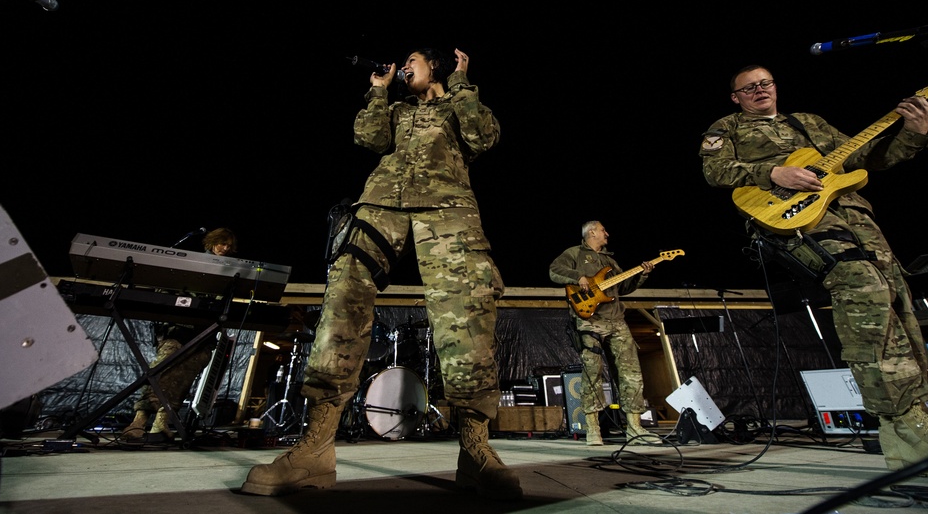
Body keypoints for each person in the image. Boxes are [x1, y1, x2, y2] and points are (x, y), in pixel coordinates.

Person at [241, 48, 521, 500]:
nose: (405, 67)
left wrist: (463, 81)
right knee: (342, 302)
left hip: (447, 208)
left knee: (466, 315)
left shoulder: (457, 102)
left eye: (413, 61)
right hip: (379, 204)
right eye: (403, 63)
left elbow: (482, 135)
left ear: (437, 66)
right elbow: (368, 139)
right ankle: (315, 449)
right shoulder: (393, 109)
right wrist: (377, 91)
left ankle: (475, 450)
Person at [698, 64, 928, 479]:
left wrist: (913, 134)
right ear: (736, 97)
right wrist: (773, 172)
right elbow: (714, 171)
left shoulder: (810, 122)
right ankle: (905, 423)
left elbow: (867, 157)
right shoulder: (728, 126)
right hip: (795, 219)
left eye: (766, 83)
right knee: (863, 291)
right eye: (749, 88)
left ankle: (903, 434)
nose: (760, 90)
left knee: (897, 303)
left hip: (853, 217)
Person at [549, 220, 662, 447]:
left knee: (631, 372)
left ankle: (635, 428)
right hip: (589, 320)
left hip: (616, 320)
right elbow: (554, 270)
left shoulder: (610, 261)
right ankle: (593, 430)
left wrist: (642, 274)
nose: (607, 233)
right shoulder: (574, 253)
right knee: (592, 372)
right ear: (591, 232)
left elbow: (623, 288)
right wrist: (577, 277)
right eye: (603, 230)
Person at [119, 227, 238, 443]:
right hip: (177, 328)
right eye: (222, 243)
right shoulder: (192, 262)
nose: (225, 248)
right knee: (162, 368)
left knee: (185, 375)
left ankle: (160, 424)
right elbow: (167, 288)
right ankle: (138, 421)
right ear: (211, 243)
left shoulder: (231, 271)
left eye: (229, 246)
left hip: (204, 333)